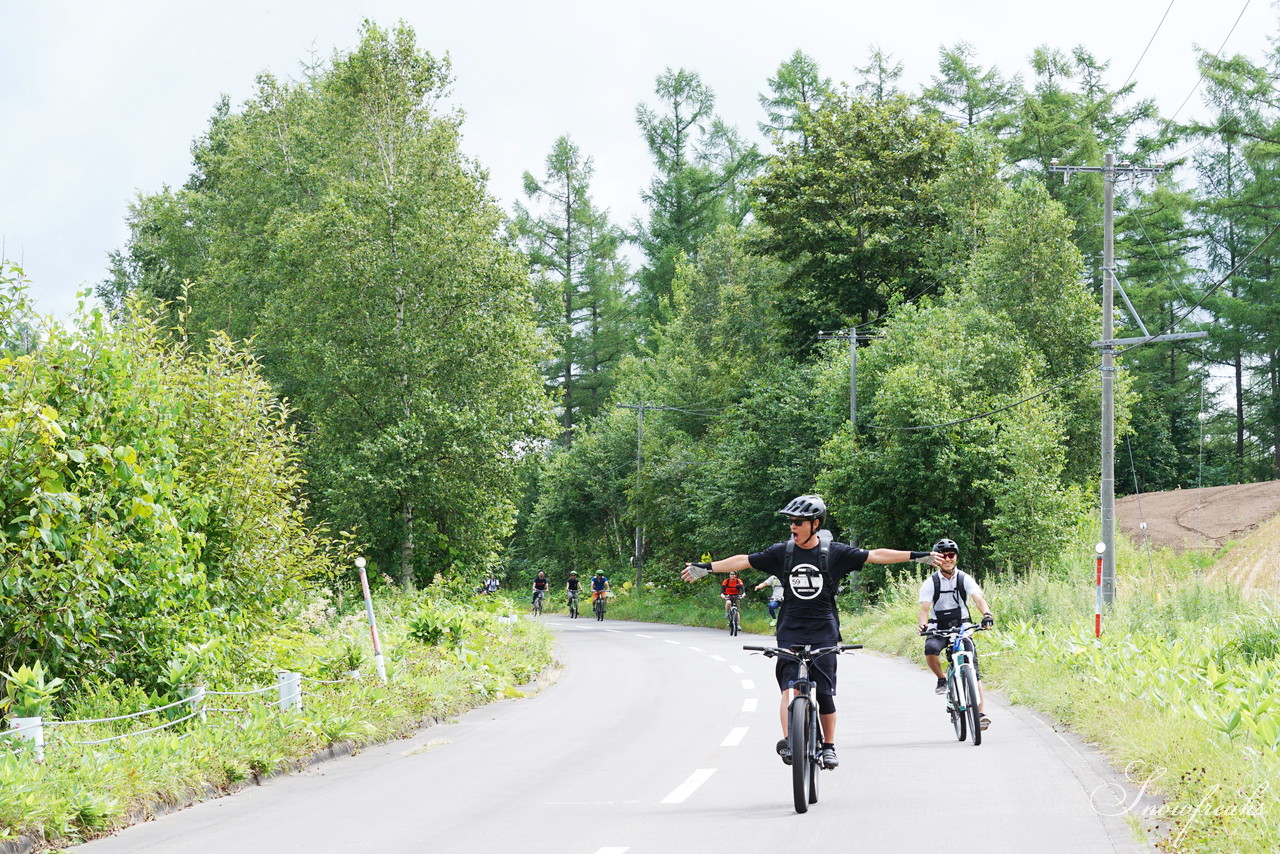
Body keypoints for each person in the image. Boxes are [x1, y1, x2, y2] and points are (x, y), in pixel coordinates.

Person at [682, 494, 938, 770]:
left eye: (799, 522)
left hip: (824, 631)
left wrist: (917, 556)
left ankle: (828, 746)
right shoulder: (782, 552)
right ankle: (790, 741)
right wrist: (706, 568)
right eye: (791, 522)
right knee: (789, 688)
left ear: (815, 524)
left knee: (825, 693)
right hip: (790, 629)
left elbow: (875, 555)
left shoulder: (835, 553)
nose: (793, 527)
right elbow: (743, 560)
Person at [915, 538, 995, 730]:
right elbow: (924, 610)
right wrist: (923, 626)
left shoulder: (964, 578)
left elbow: (978, 599)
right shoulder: (930, 583)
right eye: (943, 556)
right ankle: (942, 678)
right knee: (931, 649)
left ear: (956, 557)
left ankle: (981, 713)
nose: (948, 559)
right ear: (937, 559)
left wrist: (987, 615)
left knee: (973, 668)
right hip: (938, 625)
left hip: (962, 626)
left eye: (951, 555)